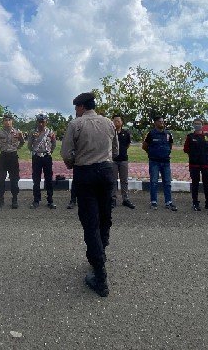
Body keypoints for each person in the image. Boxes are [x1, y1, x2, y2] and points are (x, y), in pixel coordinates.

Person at [61, 92, 118, 297]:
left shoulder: (75, 124)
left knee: (90, 222)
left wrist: (73, 164)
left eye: (76, 107)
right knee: (105, 217)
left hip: (85, 174)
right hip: (107, 172)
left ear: (81, 107)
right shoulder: (109, 123)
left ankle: (100, 277)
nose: (75, 111)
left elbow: (66, 153)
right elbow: (116, 151)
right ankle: (100, 253)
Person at [142, 115, 177, 211]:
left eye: (162, 121)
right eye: (160, 121)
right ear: (155, 123)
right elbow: (144, 146)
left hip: (166, 162)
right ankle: (154, 202)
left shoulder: (168, 134)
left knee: (167, 182)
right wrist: (151, 153)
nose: (162, 123)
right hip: (154, 162)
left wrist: (166, 153)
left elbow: (170, 145)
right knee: (154, 182)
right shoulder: (151, 134)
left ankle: (168, 202)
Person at [184, 119, 208, 211]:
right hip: (194, 164)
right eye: (195, 124)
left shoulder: (206, 136)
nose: (197, 125)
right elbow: (186, 149)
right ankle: (195, 203)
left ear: (202, 125)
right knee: (195, 184)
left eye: (199, 124)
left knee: (207, 184)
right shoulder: (190, 136)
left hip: (206, 164)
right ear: (193, 125)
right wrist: (194, 155)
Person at [0, 113, 25, 209]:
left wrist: (16, 148)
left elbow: (22, 142)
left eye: (9, 120)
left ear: (12, 121)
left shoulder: (18, 132)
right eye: (5, 120)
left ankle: (14, 199)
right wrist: (3, 148)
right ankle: (0, 199)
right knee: (1, 179)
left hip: (13, 156)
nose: (7, 122)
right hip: (3, 156)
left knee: (14, 179)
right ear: (3, 122)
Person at [28, 114, 57, 209]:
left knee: (49, 179)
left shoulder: (50, 132)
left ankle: (50, 200)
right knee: (36, 179)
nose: (41, 124)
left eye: (42, 122)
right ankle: (36, 200)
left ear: (46, 122)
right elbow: (29, 145)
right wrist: (36, 151)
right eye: (39, 122)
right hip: (37, 157)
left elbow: (54, 144)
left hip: (47, 157)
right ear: (37, 122)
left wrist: (49, 152)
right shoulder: (33, 132)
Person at [111, 114, 135, 209]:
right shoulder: (110, 133)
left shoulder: (126, 133)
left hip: (123, 160)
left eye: (118, 121)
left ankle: (125, 199)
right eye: (114, 121)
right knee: (113, 180)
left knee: (124, 180)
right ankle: (113, 199)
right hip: (113, 160)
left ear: (122, 122)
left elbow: (127, 145)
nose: (116, 122)